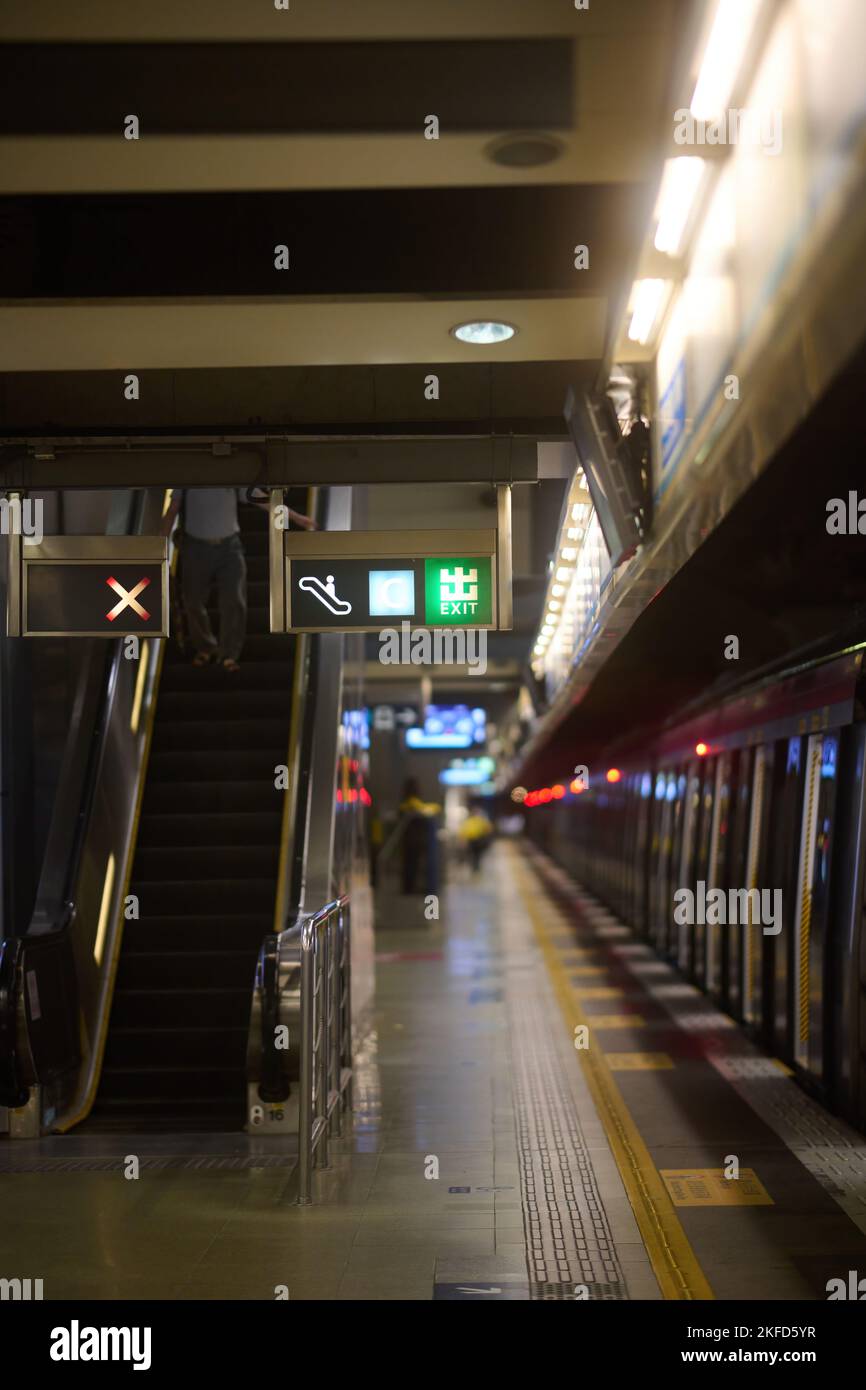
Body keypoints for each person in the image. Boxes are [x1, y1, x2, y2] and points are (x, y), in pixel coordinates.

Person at [162, 488, 314, 672]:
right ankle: (206, 647)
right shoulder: (187, 473)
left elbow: (262, 500)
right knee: (192, 601)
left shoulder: (231, 472)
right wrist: (157, 549)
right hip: (195, 547)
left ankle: (228, 654)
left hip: (229, 547)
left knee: (234, 600)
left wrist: (296, 517)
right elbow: (173, 509)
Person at [399, 778, 440, 894]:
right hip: (413, 840)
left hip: (409, 840)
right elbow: (427, 810)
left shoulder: (406, 802)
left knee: (410, 865)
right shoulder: (412, 802)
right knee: (412, 865)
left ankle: (409, 887)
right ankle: (409, 888)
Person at [459, 804, 494, 875]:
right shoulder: (468, 821)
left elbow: (488, 829)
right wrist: (463, 841)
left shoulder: (480, 820)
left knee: (477, 855)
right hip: (470, 840)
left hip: (478, 840)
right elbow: (463, 832)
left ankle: (476, 867)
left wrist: (485, 835)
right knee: (472, 855)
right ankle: (474, 867)